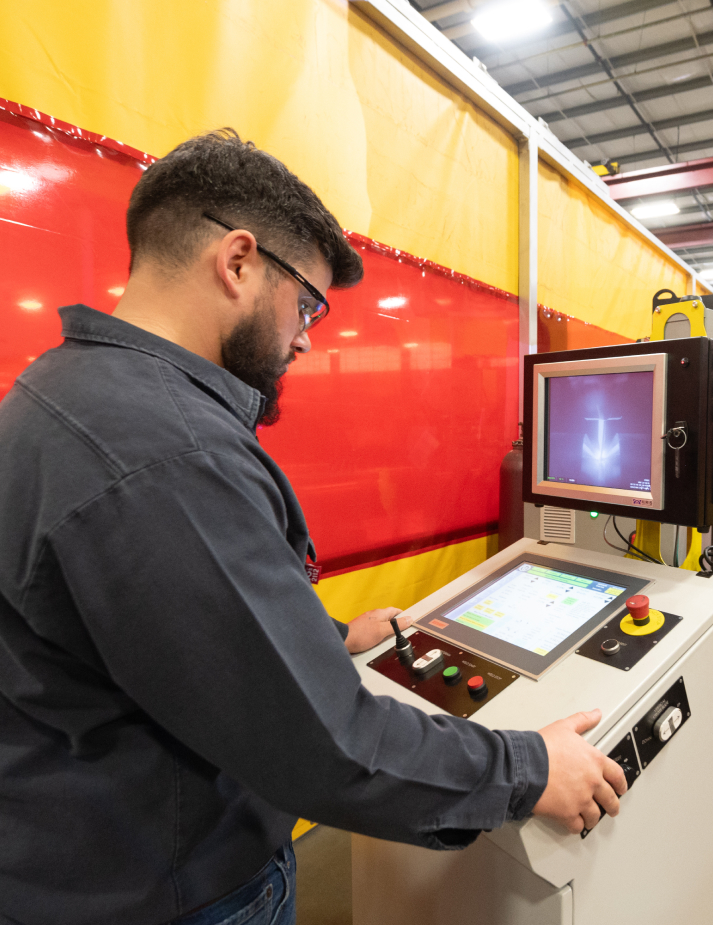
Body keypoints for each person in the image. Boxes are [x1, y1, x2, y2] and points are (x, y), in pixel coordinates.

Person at [0, 129, 626, 925]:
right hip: (175, 887)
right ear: (236, 262)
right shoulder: (168, 453)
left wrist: (327, 639)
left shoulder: (59, 390)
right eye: (307, 303)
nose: (305, 336)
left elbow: (161, 628)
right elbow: (327, 744)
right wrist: (530, 769)